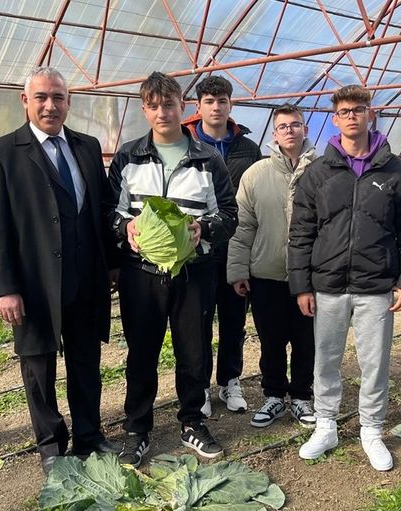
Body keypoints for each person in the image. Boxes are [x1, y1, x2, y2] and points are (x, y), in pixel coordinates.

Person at [0, 67, 120, 476]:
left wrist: (112, 264)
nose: (50, 105)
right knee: (38, 366)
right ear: (25, 101)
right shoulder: (2, 152)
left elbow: (100, 210)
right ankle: (50, 444)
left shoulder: (87, 147)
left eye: (58, 97)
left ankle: (89, 435)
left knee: (86, 362)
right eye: (41, 97)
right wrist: (6, 288)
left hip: (85, 278)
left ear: (68, 102)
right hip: (34, 283)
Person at [289, 85, 401, 471]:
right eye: (344, 111)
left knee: (374, 362)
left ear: (371, 114)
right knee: (325, 359)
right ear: (334, 119)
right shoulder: (318, 173)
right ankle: (326, 425)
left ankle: (371, 429)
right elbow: (301, 233)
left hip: (376, 285)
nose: (352, 116)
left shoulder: (395, 171)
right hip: (328, 284)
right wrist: (301, 285)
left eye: (358, 109)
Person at [107, 72, 238, 468]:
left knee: (194, 352)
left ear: (183, 107)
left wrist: (204, 229)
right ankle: (137, 429)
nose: (162, 112)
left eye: (169, 104)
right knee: (141, 353)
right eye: (153, 106)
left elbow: (229, 214)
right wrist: (125, 228)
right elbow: (109, 211)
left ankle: (192, 422)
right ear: (144, 110)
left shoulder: (208, 159)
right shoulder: (128, 157)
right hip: (141, 274)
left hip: (194, 273)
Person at [227, 104, 318, 429]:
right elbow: (243, 226)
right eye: (283, 126)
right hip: (266, 273)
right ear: (274, 134)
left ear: (305, 129)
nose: (289, 131)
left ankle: (302, 396)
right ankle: (274, 395)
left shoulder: (323, 171)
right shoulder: (256, 174)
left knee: (306, 341)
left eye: (295, 125)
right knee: (271, 341)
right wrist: (239, 270)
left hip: (310, 276)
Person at [182, 75, 262, 416]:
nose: (216, 107)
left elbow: (257, 198)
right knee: (197, 323)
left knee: (233, 320)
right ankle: (200, 386)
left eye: (222, 101)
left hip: (236, 247)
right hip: (196, 249)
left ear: (231, 105)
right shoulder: (184, 144)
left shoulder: (248, 149)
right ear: (198, 106)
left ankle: (230, 379)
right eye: (209, 101)